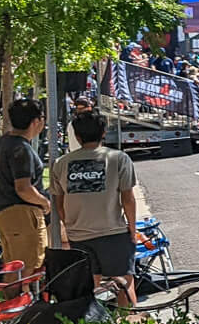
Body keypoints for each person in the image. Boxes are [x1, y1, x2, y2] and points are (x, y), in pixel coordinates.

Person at [51, 109, 140, 308]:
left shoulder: (60, 164)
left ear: (77, 136)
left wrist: (70, 225)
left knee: (89, 287)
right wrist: (132, 230)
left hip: (79, 237)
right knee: (124, 283)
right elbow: (128, 198)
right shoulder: (118, 158)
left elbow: (59, 202)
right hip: (113, 233)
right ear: (103, 133)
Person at [0, 98, 52, 280]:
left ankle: (17, 302)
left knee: (14, 265)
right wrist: (45, 202)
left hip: (3, 212)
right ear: (36, 122)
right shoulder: (20, 148)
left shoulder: (1, 143)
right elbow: (23, 188)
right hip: (22, 213)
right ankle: (19, 305)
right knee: (27, 266)